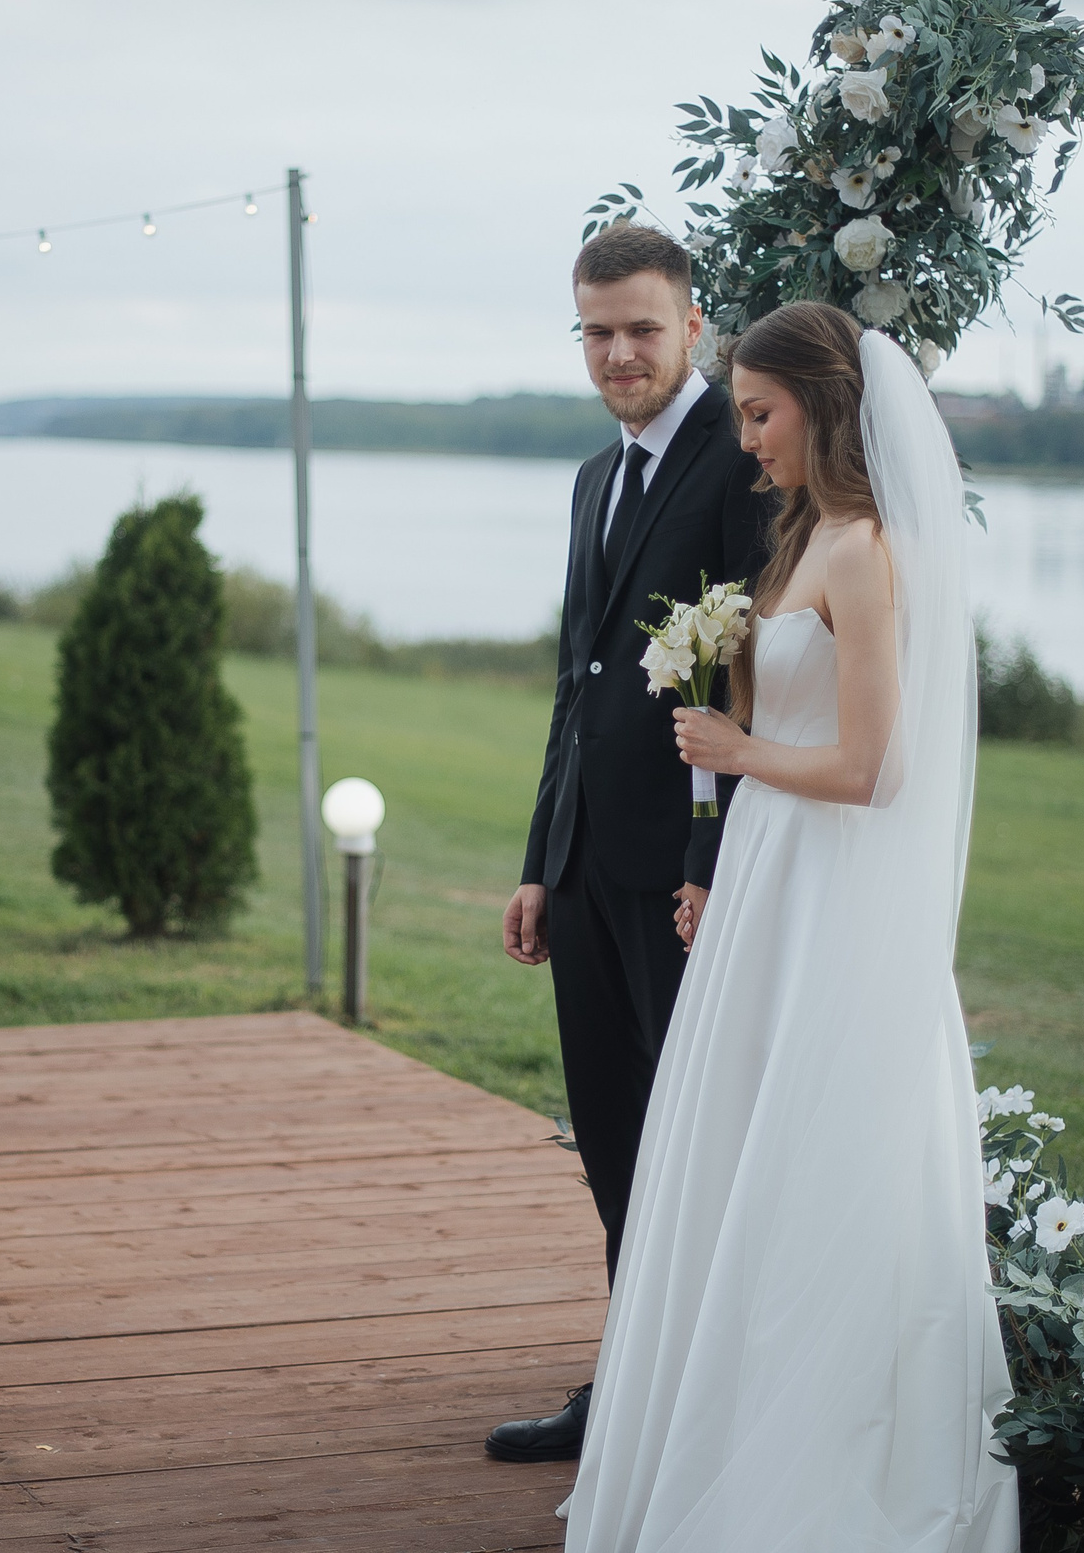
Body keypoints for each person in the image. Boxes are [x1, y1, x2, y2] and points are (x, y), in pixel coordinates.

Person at [558, 303, 1016, 1550]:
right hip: (766, 876)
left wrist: (734, 748)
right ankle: (721, 1417)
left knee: (812, 1151)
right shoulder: (800, 535)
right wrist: (722, 846)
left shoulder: (863, 550)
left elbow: (873, 767)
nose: (747, 436)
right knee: (736, 1147)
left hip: (827, 891)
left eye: (761, 413)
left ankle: (809, 1459)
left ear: (824, 404)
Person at [487, 223, 768, 1464]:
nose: (617, 354)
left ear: (693, 326)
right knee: (612, 1133)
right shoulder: (592, 479)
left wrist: (716, 865)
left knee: (693, 1137)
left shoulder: (743, 463)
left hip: (689, 877)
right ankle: (632, 1383)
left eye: (641, 329)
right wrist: (541, 859)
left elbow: (758, 684)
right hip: (591, 868)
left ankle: (703, 1401)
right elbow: (578, 682)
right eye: (595, 332)